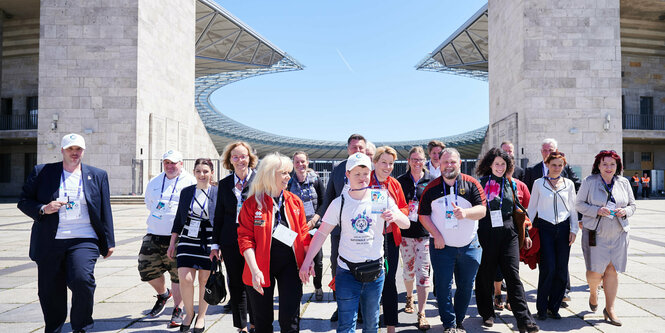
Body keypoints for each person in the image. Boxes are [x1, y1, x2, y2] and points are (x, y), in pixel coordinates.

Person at [299, 152, 410, 333]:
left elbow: (405, 225)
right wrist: (307, 261)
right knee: (346, 324)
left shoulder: (379, 197)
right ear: (347, 175)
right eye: (356, 174)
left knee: (371, 323)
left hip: (375, 272)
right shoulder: (340, 202)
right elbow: (321, 234)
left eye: (365, 173)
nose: (362, 178)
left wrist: (396, 215)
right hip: (346, 272)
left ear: (371, 173)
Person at [18, 133, 115, 333]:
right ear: (62, 150)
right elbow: (24, 201)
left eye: (78, 149)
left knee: (82, 280)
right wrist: (44, 208)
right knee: (50, 291)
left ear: (83, 151)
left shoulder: (97, 175)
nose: (74, 153)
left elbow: (105, 209)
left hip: (84, 238)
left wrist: (109, 241)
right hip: (50, 240)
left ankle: (81, 327)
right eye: (70, 149)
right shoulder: (42, 172)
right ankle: (53, 329)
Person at [237, 153, 311, 333]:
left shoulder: (295, 202)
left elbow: (303, 235)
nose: (288, 177)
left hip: (290, 266)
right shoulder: (252, 204)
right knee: (262, 321)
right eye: (284, 173)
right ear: (270, 174)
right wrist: (255, 271)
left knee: (290, 319)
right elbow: (245, 240)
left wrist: (308, 263)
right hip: (260, 268)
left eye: (289, 172)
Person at [418, 148, 487, 333]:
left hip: (470, 246)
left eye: (453, 162)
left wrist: (465, 213)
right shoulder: (431, 188)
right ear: (439, 164)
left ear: (459, 162)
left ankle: (459, 321)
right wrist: (437, 235)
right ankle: (448, 323)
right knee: (443, 286)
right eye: (445, 162)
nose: (449, 165)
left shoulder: (472, 184)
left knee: (465, 286)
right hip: (442, 247)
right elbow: (423, 215)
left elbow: (482, 210)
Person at [475, 148, 539, 333]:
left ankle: (524, 319)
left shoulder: (511, 183)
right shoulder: (480, 184)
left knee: (512, 274)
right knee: (486, 273)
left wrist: (525, 233)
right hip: (486, 230)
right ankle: (487, 313)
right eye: (497, 164)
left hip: (508, 230)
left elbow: (520, 210)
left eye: (503, 164)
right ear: (489, 165)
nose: (500, 167)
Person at [575, 150, 636, 326]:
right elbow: (578, 204)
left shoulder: (623, 182)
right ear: (598, 166)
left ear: (617, 166)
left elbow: (633, 205)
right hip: (596, 233)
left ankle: (610, 309)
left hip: (618, 232)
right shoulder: (589, 182)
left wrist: (625, 211)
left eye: (612, 164)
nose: (609, 168)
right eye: (605, 164)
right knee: (594, 272)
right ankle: (593, 292)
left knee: (612, 269)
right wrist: (596, 210)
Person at [139, 150, 196, 327]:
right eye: (166, 163)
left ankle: (178, 309)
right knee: (145, 270)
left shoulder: (190, 181)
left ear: (181, 163)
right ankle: (164, 294)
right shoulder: (155, 181)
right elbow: (149, 203)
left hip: (180, 236)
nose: (170, 166)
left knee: (177, 274)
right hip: (154, 233)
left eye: (174, 163)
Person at [523, 138, 580, 305]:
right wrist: (526, 231)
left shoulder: (568, 184)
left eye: (560, 165)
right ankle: (542, 307)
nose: (557, 168)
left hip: (563, 229)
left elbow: (572, 208)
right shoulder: (538, 183)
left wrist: (574, 229)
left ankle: (554, 307)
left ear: (563, 167)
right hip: (545, 228)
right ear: (547, 164)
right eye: (553, 165)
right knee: (548, 268)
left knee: (562, 269)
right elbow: (531, 209)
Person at [210, 142, 258, 333]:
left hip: (255, 240)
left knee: (254, 281)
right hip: (230, 241)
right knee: (236, 284)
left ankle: (256, 323)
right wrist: (215, 245)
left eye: (243, 156)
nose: (240, 160)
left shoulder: (260, 181)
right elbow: (218, 216)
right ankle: (241, 326)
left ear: (250, 158)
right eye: (235, 157)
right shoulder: (224, 185)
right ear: (230, 160)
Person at [167, 158, 218, 333]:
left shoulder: (217, 193)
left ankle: (201, 317)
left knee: (205, 280)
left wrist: (220, 246)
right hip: (188, 238)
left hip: (210, 239)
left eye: (205, 171)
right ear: (194, 172)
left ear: (211, 173)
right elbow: (179, 219)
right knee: (186, 278)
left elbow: (222, 221)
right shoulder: (187, 192)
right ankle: (189, 313)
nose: (202, 174)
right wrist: (172, 243)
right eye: (198, 171)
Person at [320, 134, 367, 322]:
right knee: (338, 269)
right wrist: (323, 227)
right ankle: (341, 307)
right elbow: (329, 197)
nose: (357, 151)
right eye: (354, 147)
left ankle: (363, 310)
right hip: (340, 232)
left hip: (364, 231)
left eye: (360, 148)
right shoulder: (338, 169)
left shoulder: (369, 170)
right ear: (348, 149)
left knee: (364, 270)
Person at [370, 146, 409, 333]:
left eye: (391, 163)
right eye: (383, 162)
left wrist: (395, 215)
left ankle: (391, 326)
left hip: (390, 240)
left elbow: (404, 209)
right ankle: (370, 324)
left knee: (389, 281)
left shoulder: (395, 184)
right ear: (375, 162)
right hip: (368, 239)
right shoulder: (365, 179)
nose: (387, 167)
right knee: (369, 282)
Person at [396, 146, 434, 330]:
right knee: (408, 271)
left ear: (424, 161)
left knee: (424, 274)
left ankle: (422, 313)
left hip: (424, 235)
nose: (417, 162)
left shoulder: (432, 181)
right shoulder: (400, 181)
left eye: (420, 159)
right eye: (414, 159)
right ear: (408, 161)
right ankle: (409, 297)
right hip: (406, 235)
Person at [289, 151, 326, 300]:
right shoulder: (289, 182)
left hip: (313, 225)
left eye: (302, 161)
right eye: (297, 162)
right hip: (296, 228)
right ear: (293, 164)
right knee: (296, 259)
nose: (300, 165)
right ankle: (297, 288)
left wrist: (315, 219)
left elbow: (324, 202)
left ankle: (318, 286)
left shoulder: (316, 180)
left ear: (308, 162)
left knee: (318, 259)